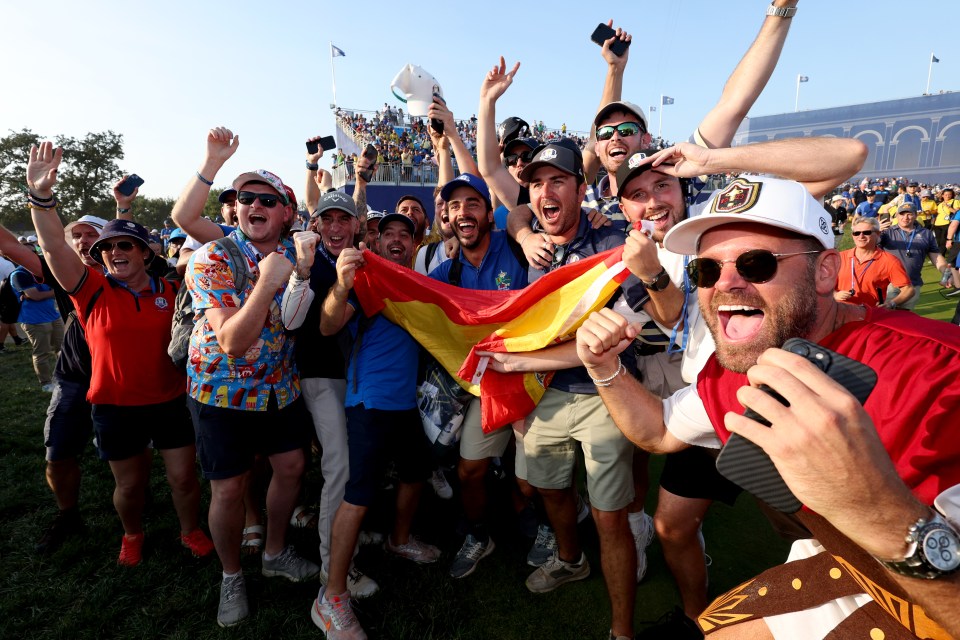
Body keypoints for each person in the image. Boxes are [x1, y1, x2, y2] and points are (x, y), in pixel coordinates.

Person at [575, 170, 960, 639]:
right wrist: (603, 369)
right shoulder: (732, 370)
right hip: (839, 566)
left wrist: (879, 512)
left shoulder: (942, 371)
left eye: (757, 264)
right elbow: (657, 429)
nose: (726, 284)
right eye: (707, 269)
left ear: (824, 271)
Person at [27, 142, 212, 569]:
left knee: (184, 480)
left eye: (126, 246)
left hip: (170, 403)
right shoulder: (91, 290)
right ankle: (132, 534)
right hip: (114, 407)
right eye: (108, 249)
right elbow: (54, 247)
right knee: (130, 487)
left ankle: (190, 530)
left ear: (146, 252)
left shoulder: (172, 291)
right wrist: (41, 197)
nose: (115, 253)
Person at [184, 159, 320, 626]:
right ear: (235, 209)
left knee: (292, 466)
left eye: (267, 199)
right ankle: (231, 575)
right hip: (221, 392)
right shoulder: (214, 257)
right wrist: (268, 279)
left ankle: (276, 552)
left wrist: (299, 275)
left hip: (277, 386)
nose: (254, 205)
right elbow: (232, 342)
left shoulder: (293, 252)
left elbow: (296, 321)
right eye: (245, 198)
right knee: (228, 490)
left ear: (286, 212)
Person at [312, 213, 439, 640]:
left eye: (406, 234)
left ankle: (397, 539)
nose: (398, 240)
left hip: (406, 405)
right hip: (368, 403)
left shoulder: (416, 283)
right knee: (359, 496)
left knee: (416, 471)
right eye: (389, 234)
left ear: (415, 243)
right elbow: (329, 324)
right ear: (376, 240)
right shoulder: (367, 280)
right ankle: (331, 597)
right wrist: (343, 284)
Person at [427, 174, 530, 579]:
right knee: (470, 470)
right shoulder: (446, 271)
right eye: (454, 206)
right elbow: (412, 298)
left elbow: (525, 209)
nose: (463, 212)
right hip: (484, 389)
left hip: (532, 381)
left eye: (472, 203)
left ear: (490, 214)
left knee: (535, 479)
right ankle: (478, 535)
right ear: (448, 219)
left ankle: (553, 528)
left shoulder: (520, 249)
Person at [280, 190, 379, 599]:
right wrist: (302, 270)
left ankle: (346, 540)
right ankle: (334, 566)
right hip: (319, 377)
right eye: (328, 220)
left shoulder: (358, 260)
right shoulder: (307, 262)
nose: (335, 227)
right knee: (338, 468)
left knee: (348, 464)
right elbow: (296, 322)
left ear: (356, 224)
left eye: (343, 220)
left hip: (349, 378)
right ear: (315, 225)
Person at [835, 215, 913, 308]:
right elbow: (821, 286)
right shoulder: (838, 257)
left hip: (870, 315)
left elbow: (908, 290)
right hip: (839, 314)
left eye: (866, 232)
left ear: (878, 234)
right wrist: (834, 295)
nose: (861, 236)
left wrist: (891, 303)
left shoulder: (889, 260)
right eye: (856, 233)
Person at [879, 203, 947, 310]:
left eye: (909, 214)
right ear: (896, 215)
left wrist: (945, 271)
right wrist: (873, 233)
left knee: (906, 319)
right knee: (887, 317)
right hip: (889, 284)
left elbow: (935, 255)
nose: (905, 217)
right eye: (902, 214)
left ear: (915, 215)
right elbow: (868, 248)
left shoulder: (926, 234)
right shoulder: (886, 232)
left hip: (912, 283)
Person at [9, 260, 63, 391]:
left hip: (54, 316)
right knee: (42, 353)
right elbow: (36, 296)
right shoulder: (19, 274)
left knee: (62, 350)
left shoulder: (42, 273)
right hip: (34, 321)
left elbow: (38, 294)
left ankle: (63, 378)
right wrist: (58, 291)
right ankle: (46, 383)